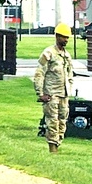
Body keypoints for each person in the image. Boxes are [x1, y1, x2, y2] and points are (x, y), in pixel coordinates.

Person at [33, 23, 75, 153]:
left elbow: (70, 73)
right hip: (51, 94)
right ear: (57, 36)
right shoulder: (48, 53)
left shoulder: (66, 55)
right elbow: (39, 73)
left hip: (64, 94)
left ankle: (58, 144)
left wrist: (70, 88)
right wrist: (40, 93)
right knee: (52, 122)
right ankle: (53, 150)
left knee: (62, 121)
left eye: (67, 37)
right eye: (63, 37)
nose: (66, 40)